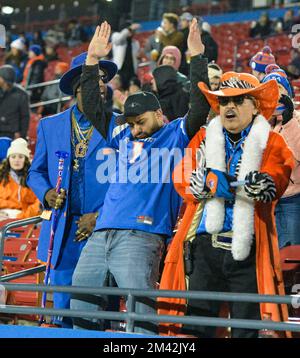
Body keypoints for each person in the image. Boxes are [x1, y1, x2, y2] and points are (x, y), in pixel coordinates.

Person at [71, 19, 210, 334]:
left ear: (160, 114)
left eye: (141, 121)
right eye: (130, 122)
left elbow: (200, 107)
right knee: (80, 304)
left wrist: (197, 58)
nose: (134, 128)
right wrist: (91, 61)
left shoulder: (175, 133)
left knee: (140, 316)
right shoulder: (122, 133)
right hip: (101, 233)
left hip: (142, 236)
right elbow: (93, 105)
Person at [158, 71, 294, 338]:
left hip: (248, 251)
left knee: (248, 330)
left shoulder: (272, 141)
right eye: (223, 102)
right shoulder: (202, 138)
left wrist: (264, 183)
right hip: (205, 249)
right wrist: (198, 182)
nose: (229, 107)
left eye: (238, 100)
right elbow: (182, 175)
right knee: (196, 328)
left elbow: (278, 174)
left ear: (255, 106)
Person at [27, 51, 118, 328]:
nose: (101, 83)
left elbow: (127, 179)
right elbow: (35, 172)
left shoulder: (120, 124)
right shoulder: (49, 125)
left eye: (104, 78)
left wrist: (100, 216)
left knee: (101, 307)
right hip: (63, 228)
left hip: (101, 229)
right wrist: (46, 193)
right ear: (80, 85)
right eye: (95, 77)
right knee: (64, 307)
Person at [262, 64, 300, 248]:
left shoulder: (298, 119)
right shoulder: (255, 123)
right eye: (270, 90)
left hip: (290, 199)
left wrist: (289, 121)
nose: (276, 95)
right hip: (261, 201)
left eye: (280, 89)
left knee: (289, 254)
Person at [0, 138, 40, 221]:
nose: (16, 160)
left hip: (25, 219)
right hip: (3, 215)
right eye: (13, 157)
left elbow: (37, 204)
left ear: (25, 160)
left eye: (20, 157)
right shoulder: (1, 176)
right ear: (8, 159)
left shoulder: (34, 179)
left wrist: (21, 216)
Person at [0, 65, 30, 139]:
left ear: (4, 78)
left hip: (12, 134)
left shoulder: (21, 94)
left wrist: (22, 136)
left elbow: (25, 117)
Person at [111, 22, 140, 90]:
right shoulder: (116, 36)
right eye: (129, 30)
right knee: (119, 90)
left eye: (132, 31)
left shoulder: (135, 43)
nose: (130, 32)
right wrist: (129, 29)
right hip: (120, 71)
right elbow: (120, 38)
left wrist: (138, 58)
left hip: (132, 72)